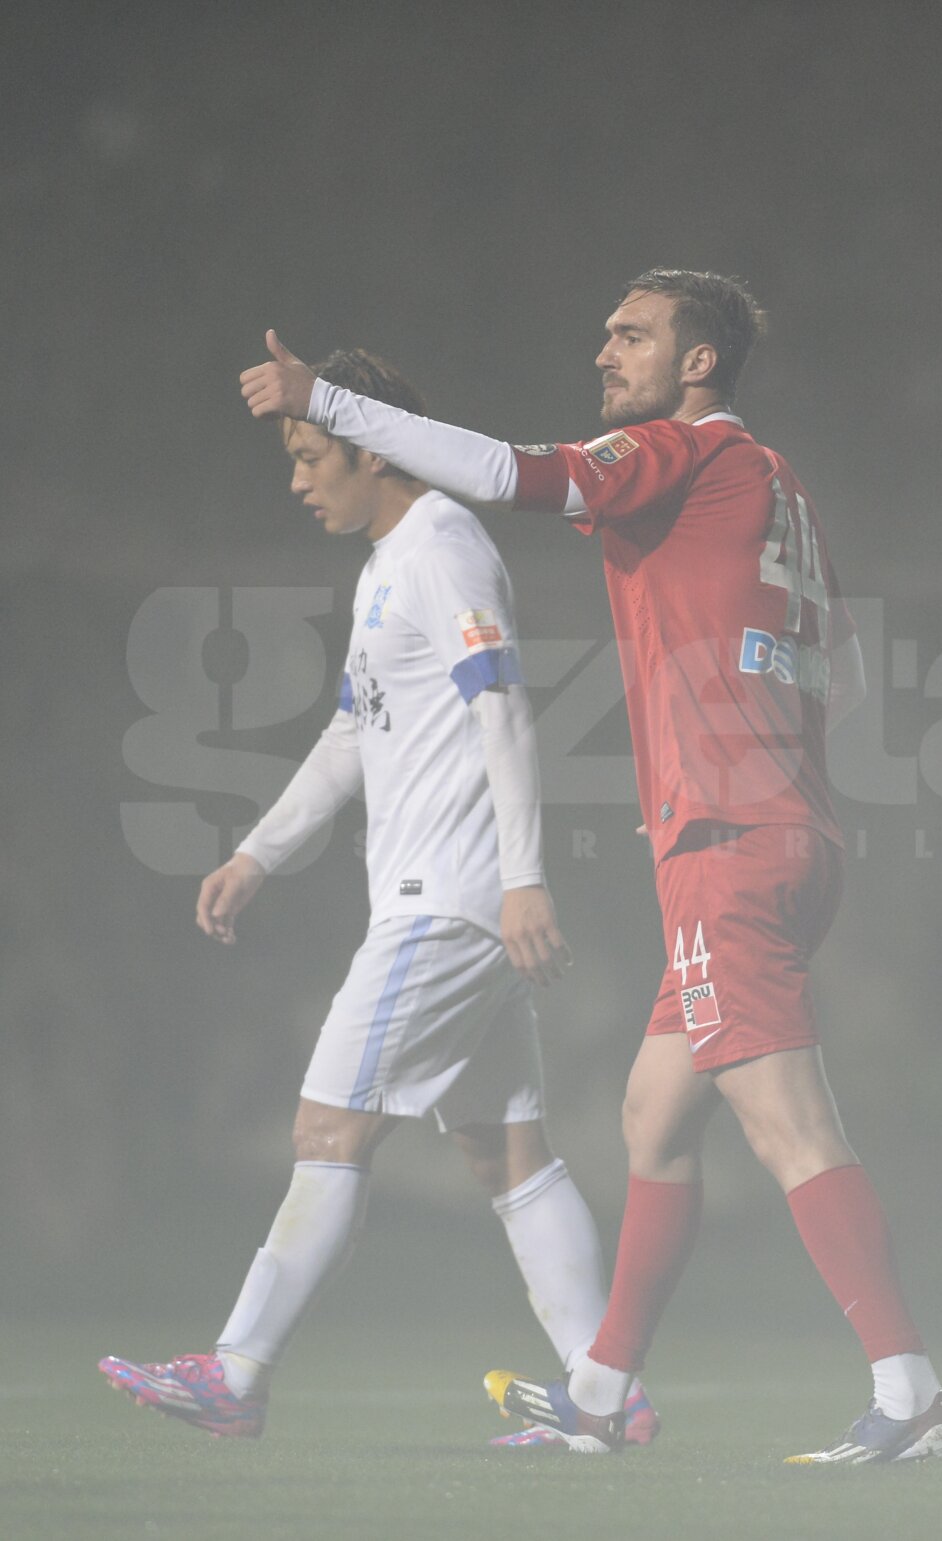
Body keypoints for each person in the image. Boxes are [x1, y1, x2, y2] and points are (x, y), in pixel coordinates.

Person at [237, 272, 942, 1466]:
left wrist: (334, 402)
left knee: (787, 1124)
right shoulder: (782, 488)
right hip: (773, 830)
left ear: (700, 363)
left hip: (731, 843)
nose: (604, 352)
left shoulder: (678, 451)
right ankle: (602, 1388)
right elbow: (834, 667)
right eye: (606, 334)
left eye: (633, 335)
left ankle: (908, 1387)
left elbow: (513, 472)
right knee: (652, 1115)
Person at [99, 349, 659, 1450]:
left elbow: (503, 704)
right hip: (457, 904)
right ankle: (608, 1395)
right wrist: (260, 850)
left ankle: (239, 1369)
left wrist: (522, 876)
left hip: (443, 904)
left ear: (375, 450)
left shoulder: (444, 544)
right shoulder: (387, 563)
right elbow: (357, 729)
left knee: (327, 1127)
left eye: (313, 456)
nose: (300, 479)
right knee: (506, 1153)